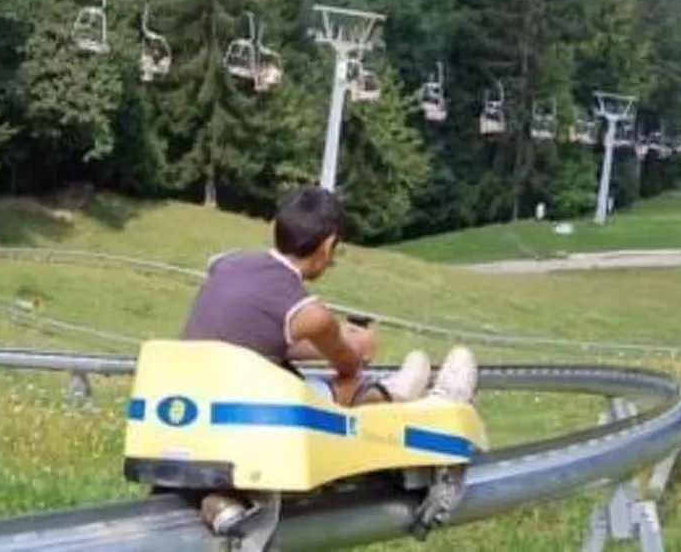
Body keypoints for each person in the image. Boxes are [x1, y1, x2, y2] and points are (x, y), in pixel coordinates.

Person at [179, 184, 477, 534]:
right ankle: (403, 400)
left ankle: (394, 392)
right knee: (345, 387)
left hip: (199, 403)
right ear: (328, 245)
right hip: (254, 419)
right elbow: (348, 363)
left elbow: (262, 332)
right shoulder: (309, 313)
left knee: (308, 383)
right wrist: (355, 342)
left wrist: (331, 340)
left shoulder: (226, 265)